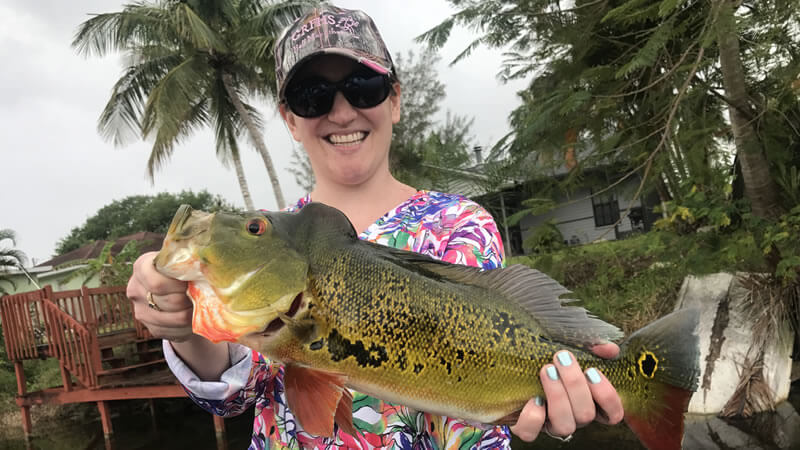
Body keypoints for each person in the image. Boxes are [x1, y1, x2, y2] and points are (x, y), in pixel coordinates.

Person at [127, 5, 623, 449]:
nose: (341, 111)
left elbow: (485, 387)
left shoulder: (461, 226)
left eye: (363, 86)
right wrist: (183, 327)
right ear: (290, 119)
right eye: (312, 95)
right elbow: (238, 393)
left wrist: (548, 398)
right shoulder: (282, 246)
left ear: (395, 100)